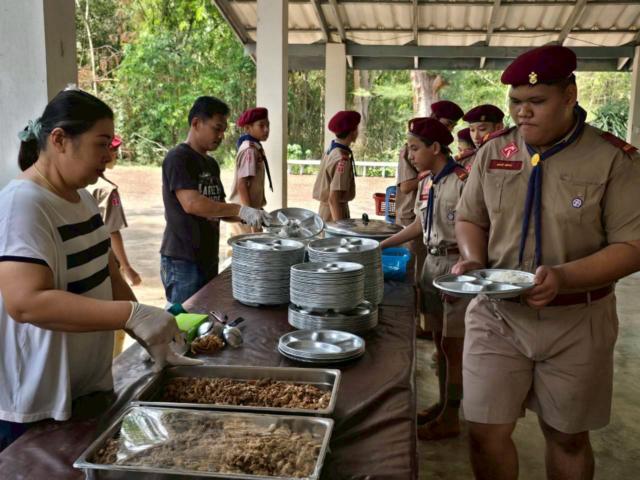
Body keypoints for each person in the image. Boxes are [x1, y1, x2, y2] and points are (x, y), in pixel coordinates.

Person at [454, 44, 640, 480]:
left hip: (578, 320)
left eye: (536, 101)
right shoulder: (494, 151)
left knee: (567, 437)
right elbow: (469, 217)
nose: (523, 112)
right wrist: (473, 260)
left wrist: (564, 277)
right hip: (497, 316)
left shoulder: (613, 159)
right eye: (516, 102)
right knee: (483, 431)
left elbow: (632, 245)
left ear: (570, 96)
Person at [0, 89, 199, 452]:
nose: (109, 156)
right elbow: (26, 303)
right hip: (37, 402)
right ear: (59, 139)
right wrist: (130, 314)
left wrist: (145, 328)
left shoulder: (84, 199)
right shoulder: (25, 204)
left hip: (87, 386)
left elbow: (108, 273)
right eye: (101, 144)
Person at [381, 117, 469, 441]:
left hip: (456, 266)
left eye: (415, 148)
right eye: (408, 148)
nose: (410, 155)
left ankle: (452, 415)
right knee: (439, 342)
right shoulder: (428, 182)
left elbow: (479, 227)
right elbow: (420, 224)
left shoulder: (462, 181)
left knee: (453, 346)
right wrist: (382, 244)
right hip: (432, 263)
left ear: (435, 147)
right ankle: (443, 405)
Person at [160, 96, 270, 304]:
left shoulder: (211, 164)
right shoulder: (178, 158)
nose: (221, 136)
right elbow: (193, 204)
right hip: (183, 259)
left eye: (223, 131)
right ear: (196, 123)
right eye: (217, 129)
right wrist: (241, 210)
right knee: (184, 317)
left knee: (205, 313)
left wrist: (254, 216)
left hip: (208, 256)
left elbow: (218, 207)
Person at [90, 135, 141, 287]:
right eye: (114, 151)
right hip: (104, 262)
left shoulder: (78, 182)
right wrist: (127, 267)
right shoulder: (106, 189)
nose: (115, 156)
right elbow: (112, 231)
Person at [229, 107, 273, 236]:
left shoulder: (255, 147)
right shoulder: (249, 150)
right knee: (247, 247)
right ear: (248, 128)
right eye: (261, 125)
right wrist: (251, 217)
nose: (266, 129)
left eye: (268, 125)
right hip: (244, 215)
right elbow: (242, 185)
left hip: (251, 212)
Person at [313, 110, 360, 222]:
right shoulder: (342, 159)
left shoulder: (331, 150)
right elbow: (334, 199)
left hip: (326, 211)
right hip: (334, 213)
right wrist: (340, 227)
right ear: (352, 131)